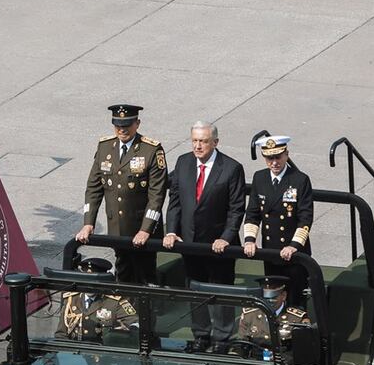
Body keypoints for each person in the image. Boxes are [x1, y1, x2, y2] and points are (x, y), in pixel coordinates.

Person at [164, 121, 246, 346]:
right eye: (195, 141)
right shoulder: (183, 162)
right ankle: (201, 335)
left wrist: (226, 237)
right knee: (195, 290)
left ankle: (222, 338)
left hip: (219, 244)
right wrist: (171, 231)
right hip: (190, 243)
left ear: (215, 142)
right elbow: (175, 202)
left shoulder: (231, 168)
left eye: (203, 141)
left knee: (221, 290)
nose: (198, 146)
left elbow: (236, 208)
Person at [76, 104, 167, 285]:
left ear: (137, 124)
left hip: (142, 227)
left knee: (145, 275)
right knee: (123, 273)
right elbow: (94, 188)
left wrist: (145, 229)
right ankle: (125, 311)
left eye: (127, 125)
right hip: (117, 227)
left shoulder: (151, 150)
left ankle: (146, 312)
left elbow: (157, 195)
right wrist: (88, 223)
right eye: (118, 125)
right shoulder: (105, 147)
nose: (122, 130)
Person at [242, 135, 314, 306]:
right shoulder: (260, 178)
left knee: (295, 299)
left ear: (286, 155)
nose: (274, 162)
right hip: (271, 253)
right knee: (273, 297)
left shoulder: (299, 180)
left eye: (278, 157)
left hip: (294, 254)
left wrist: (293, 246)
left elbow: (305, 218)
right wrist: (249, 240)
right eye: (269, 158)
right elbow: (252, 213)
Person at [55, 257, 138, 341]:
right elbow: (61, 334)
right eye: (86, 280)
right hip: (75, 350)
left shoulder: (114, 301)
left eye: (94, 282)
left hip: (102, 350)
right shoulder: (71, 299)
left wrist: (125, 332)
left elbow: (134, 322)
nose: (89, 286)